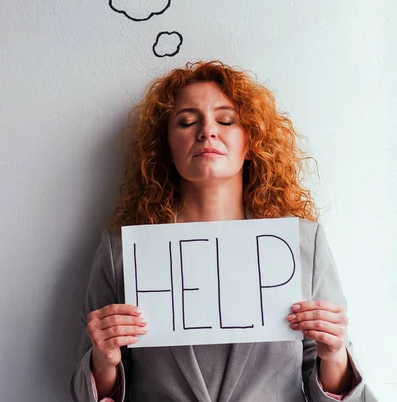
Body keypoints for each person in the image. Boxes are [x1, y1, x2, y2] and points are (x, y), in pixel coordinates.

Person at [70, 61, 370, 402]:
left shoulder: (302, 245)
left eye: (226, 120)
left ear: (251, 140)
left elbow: (327, 383)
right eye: (186, 122)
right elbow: (85, 394)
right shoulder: (122, 251)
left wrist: (335, 355)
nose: (207, 131)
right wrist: (103, 361)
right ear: (166, 145)